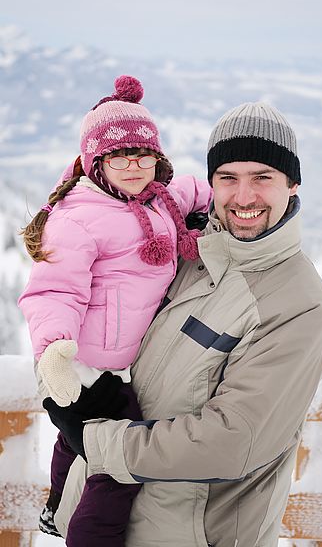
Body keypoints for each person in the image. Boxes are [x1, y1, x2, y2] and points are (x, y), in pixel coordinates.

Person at [44, 101, 322, 547]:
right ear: (210, 183)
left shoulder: (296, 305)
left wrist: (93, 439)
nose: (244, 197)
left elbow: (232, 441)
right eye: (228, 178)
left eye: (262, 177)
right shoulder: (183, 252)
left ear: (292, 185)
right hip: (110, 523)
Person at [18, 75, 213, 546]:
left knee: (74, 443)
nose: (134, 166)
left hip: (120, 364)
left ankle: (54, 509)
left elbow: (200, 190)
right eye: (119, 157)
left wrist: (231, 197)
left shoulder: (160, 199)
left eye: (144, 155)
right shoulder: (78, 219)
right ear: (95, 162)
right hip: (81, 368)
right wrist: (55, 351)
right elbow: (53, 292)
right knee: (119, 469)